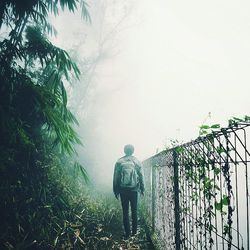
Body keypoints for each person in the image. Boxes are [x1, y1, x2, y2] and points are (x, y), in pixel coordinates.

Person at [113, 144, 145, 239]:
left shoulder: (119, 162)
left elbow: (116, 177)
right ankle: (134, 232)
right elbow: (141, 176)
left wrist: (116, 190)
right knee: (134, 210)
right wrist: (142, 188)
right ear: (133, 151)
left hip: (123, 190)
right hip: (134, 190)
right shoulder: (137, 161)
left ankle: (127, 233)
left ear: (124, 151)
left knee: (125, 211)